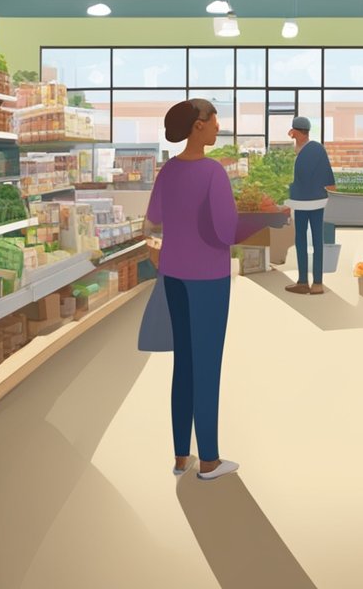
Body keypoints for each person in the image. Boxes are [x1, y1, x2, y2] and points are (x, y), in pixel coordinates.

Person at [145, 98, 240, 481]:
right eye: (214, 119)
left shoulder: (168, 170)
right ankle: (211, 460)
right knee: (207, 365)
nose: (218, 125)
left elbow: (153, 219)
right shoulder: (213, 173)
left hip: (174, 275)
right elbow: (226, 231)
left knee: (182, 363)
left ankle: (181, 456)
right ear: (198, 125)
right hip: (208, 277)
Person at [285, 116, 335, 296]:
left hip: (301, 200)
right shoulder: (318, 148)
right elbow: (328, 177)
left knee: (301, 240)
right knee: (317, 240)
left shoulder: (298, 152)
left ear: (296, 132)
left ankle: (303, 281)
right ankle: (318, 283)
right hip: (318, 200)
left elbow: (294, 176)